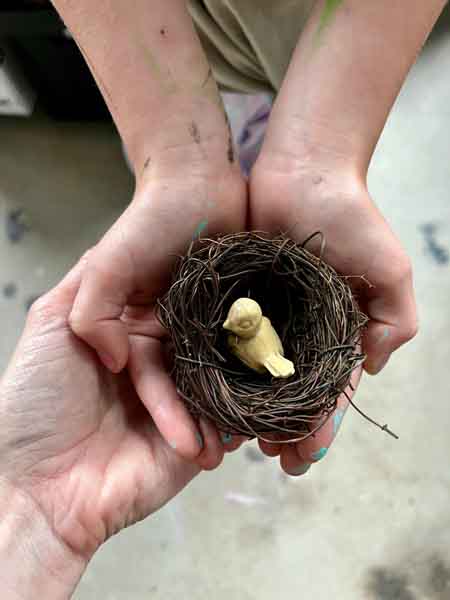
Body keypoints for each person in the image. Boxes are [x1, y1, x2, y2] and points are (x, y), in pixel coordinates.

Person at [41, 0, 444, 476]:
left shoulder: (253, 333)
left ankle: (257, 139)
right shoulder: (238, 330)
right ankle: (244, 142)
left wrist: (320, 150)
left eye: (240, 322)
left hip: (348, 41)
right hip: (168, 41)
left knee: (261, 91)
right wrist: (178, 156)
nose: (234, 327)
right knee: (239, 98)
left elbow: (252, 341)